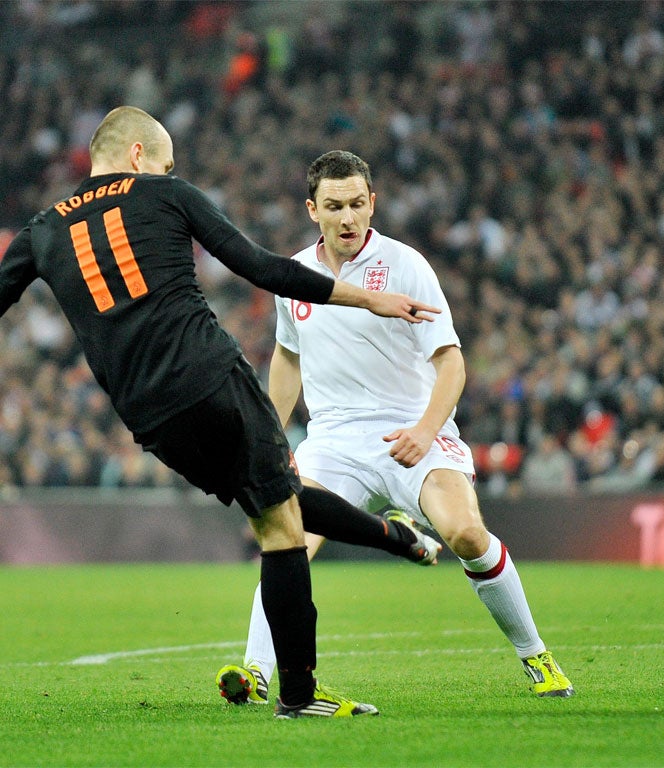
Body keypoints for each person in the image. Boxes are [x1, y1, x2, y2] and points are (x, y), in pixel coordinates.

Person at [0, 106, 446, 719]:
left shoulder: (42, 230)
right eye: (164, 161)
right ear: (137, 157)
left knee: (270, 498)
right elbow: (261, 267)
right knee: (282, 527)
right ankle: (299, 696)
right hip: (209, 377)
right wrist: (368, 299)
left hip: (148, 415)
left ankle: (397, 539)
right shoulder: (166, 193)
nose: (167, 170)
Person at [216, 150, 574, 701]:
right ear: (313, 209)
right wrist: (268, 434)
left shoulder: (406, 265)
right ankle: (257, 672)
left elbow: (451, 362)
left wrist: (426, 431)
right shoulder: (294, 276)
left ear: (372, 203)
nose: (348, 218)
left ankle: (536, 656)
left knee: (465, 534)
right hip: (332, 443)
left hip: (414, 431)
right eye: (334, 206)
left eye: (357, 204)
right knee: (287, 538)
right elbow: (288, 360)